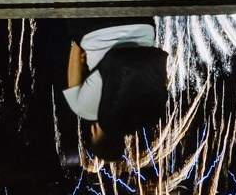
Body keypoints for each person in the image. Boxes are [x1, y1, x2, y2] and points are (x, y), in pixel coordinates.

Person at [62, 16, 170, 164]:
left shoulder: (144, 111)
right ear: (93, 133)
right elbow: (75, 49)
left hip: (142, 24)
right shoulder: (82, 108)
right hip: (93, 27)